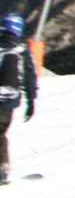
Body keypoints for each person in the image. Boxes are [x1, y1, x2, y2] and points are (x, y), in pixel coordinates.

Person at [0, 13, 36, 184]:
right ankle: (3, 168)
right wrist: (31, 102)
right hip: (9, 101)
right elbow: (30, 78)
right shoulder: (23, 51)